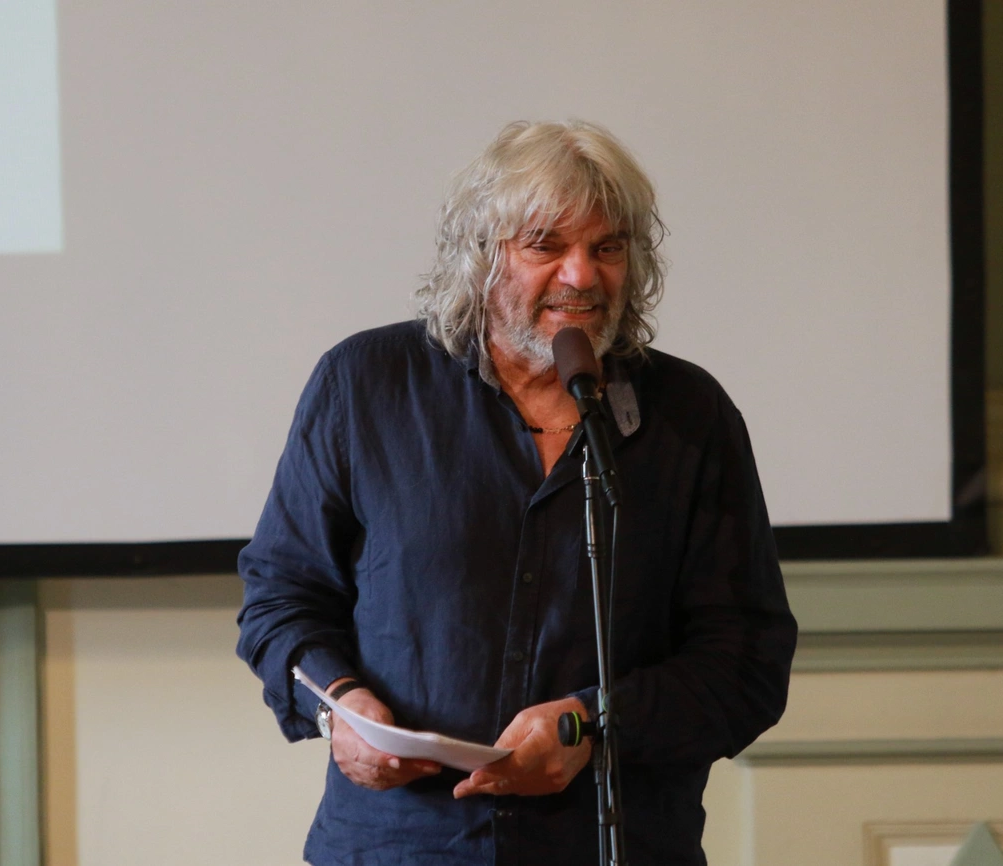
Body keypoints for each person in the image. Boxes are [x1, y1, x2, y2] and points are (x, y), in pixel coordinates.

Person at [236, 120, 797, 865]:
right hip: (402, 846)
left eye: (608, 248)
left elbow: (746, 661)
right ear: (481, 255)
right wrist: (337, 705)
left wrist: (589, 726)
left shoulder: (690, 416)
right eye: (545, 246)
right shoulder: (365, 386)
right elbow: (280, 599)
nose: (582, 276)